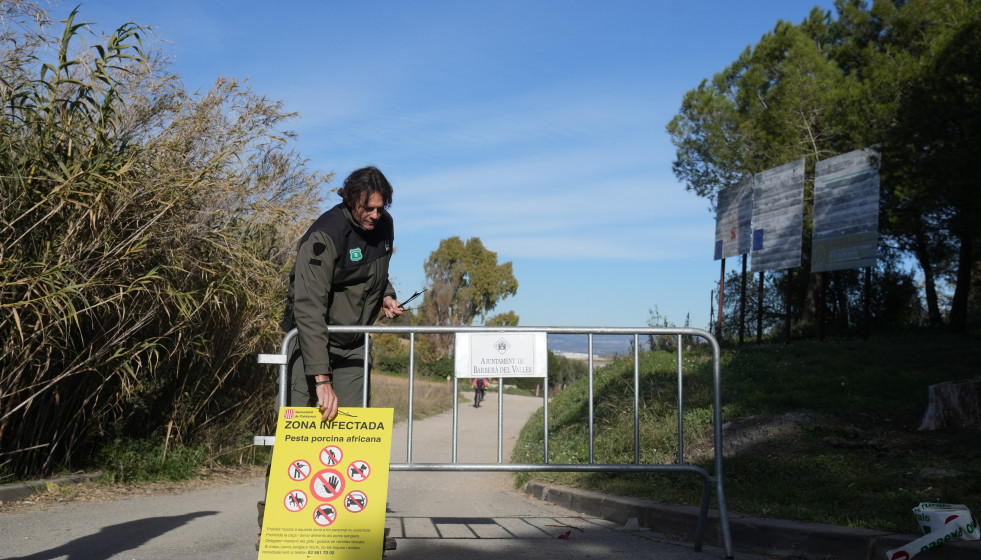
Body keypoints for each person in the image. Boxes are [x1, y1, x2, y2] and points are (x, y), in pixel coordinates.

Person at [258, 165, 403, 549]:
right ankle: (276, 522)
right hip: (311, 344)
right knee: (297, 435)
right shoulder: (325, 235)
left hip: (353, 344)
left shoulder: (384, 226)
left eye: (381, 207)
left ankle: (355, 529)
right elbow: (308, 307)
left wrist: (386, 295)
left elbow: (376, 270)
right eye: (368, 208)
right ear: (350, 200)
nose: (376, 215)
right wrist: (321, 380)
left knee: (353, 432)